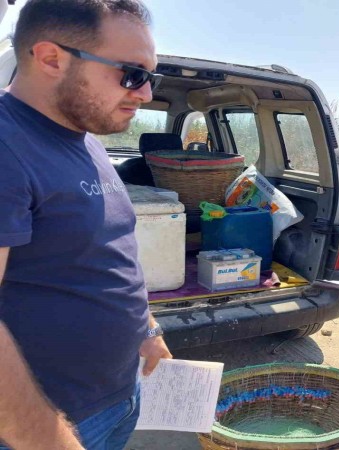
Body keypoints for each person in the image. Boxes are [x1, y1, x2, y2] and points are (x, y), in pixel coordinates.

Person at [0, 1, 172, 449]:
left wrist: (147, 330)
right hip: (44, 426)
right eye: (132, 74)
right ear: (51, 58)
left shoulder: (85, 138)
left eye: (151, 78)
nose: (146, 94)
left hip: (118, 398)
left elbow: (108, 251)